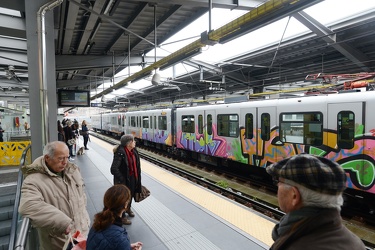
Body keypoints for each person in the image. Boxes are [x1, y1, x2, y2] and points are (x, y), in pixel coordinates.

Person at [266, 154, 366, 250]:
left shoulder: (296, 246)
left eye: (278, 182)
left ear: (294, 195)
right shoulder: (356, 243)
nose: (277, 185)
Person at [19, 141, 90, 250]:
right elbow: (28, 206)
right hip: (60, 243)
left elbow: (82, 198)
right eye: (61, 158)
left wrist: (86, 221)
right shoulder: (33, 180)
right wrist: (63, 223)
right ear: (47, 158)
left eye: (67, 157)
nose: (65, 162)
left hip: (82, 236)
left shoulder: (73, 171)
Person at [87, 185, 143, 250]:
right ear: (125, 205)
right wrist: (125, 245)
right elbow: (114, 242)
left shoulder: (96, 225)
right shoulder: (120, 238)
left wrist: (128, 246)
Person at [110, 134, 142, 225]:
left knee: (131, 194)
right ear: (129, 143)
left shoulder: (134, 151)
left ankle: (128, 209)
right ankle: (122, 216)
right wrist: (122, 179)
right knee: (123, 198)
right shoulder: (120, 152)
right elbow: (113, 169)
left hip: (132, 178)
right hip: (124, 180)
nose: (135, 142)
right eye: (133, 141)